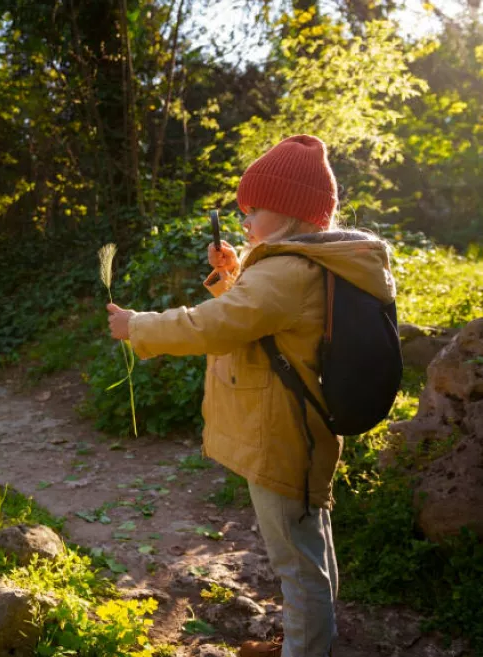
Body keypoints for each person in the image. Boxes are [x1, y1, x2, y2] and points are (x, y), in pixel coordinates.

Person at [106, 135, 396, 657]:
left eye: (253, 210)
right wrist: (235, 273)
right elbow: (260, 320)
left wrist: (138, 326)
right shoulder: (305, 263)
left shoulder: (286, 272)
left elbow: (215, 327)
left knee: (296, 561)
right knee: (309, 545)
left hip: (282, 435)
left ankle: (307, 648)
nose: (244, 221)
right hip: (300, 429)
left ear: (286, 213)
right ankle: (314, 640)